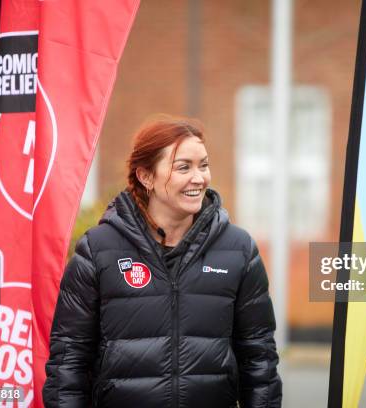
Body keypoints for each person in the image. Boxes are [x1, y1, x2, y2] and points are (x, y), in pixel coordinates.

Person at [42, 116, 282, 407]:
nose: (199, 178)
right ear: (146, 177)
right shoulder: (98, 250)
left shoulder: (238, 250)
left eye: (203, 165)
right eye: (184, 167)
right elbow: (69, 363)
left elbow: (260, 361)